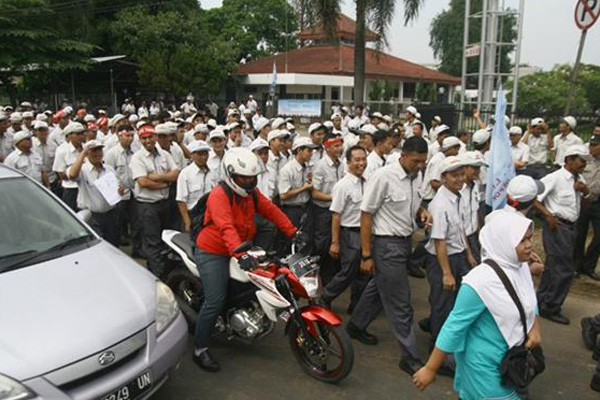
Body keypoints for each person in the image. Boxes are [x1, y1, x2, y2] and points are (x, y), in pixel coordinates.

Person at [413, 212, 541, 400]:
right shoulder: (479, 281)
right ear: (503, 242)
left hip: (512, 362)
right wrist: (431, 368)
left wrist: (535, 327)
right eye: (522, 240)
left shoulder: (520, 268)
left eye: (529, 238)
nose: (529, 245)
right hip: (485, 368)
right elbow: (454, 326)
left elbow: (529, 297)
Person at [192, 147, 299, 372]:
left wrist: (293, 231)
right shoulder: (219, 195)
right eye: (244, 178)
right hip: (214, 250)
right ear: (231, 175)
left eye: (253, 178)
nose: (250, 182)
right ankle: (200, 349)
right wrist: (241, 254)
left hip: (241, 246)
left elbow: (271, 210)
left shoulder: (251, 193)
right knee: (215, 300)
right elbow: (225, 227)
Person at [347, 136, 432, 376]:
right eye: (415, 161)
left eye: (423, 162)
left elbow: (414, 207)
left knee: (379, 287)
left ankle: (355, 325)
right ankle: (410, 356)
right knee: (401, 304)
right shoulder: (384, 177)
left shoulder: (417, 177)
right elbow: (366, 214)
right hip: (386, 245)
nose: (419, 166)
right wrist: (366, 254)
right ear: (403, 155)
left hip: (404, 242)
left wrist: (422, 213)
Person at [423, 156, 477, 375]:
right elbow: (439, 241)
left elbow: (462, 228)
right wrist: (446, 273)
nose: (460, 179)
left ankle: (447, 342)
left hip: (458, 256)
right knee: (442, 303)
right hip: (441, 260)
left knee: (455, 303)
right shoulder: (440, 203)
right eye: (454, 175)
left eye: (462, 174)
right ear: (443, 178)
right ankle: (439, 352)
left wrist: (469, 253)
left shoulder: (458, 196)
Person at [535, 144, 591, 325]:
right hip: (557, 227)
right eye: (581, 161)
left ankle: (542, 301)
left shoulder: (579, 178)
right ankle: (551, 306)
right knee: (564, 269)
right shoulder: (555, 178)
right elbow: (534, 199)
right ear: (569, 160)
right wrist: (547, 215)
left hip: (570, 227)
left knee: (554, 266)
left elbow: (586, 201)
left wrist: (585, 192)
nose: (584, 164)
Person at [323, 145, 370, 314]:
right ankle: (325, 297)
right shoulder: (343, 185)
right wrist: (335, 243)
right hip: (349, 233)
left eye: (364, 159)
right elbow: (336, 215)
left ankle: (355, 306)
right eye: (357, 160)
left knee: (364, 273)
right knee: (348, 271)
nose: (361, 163)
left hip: (365, 233)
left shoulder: (368, 182)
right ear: (348, 162)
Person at [129, 124, 179, 278]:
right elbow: (143, 183)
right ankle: (157, 276)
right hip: (147, 206)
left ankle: (166, 271)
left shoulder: (164, 154)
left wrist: (156, 177)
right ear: (140, 140)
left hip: (165, 203)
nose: (148, 141)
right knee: (152, 242)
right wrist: (166, 183)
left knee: (167, 239)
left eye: (150, 137)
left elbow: (175, 174)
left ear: (156, 137)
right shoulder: (137, 158)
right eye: (144, 138)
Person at [67, 140, 121, 246]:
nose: (98, 154)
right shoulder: (82, 170)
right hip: (92, 217)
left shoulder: (109, 169)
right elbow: (72, 175)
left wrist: (120, 191)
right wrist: (83, 153)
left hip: (110, 214)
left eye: (99, 150)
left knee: (113, 244)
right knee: (97, 245)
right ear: (87, 154)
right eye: (94, 151)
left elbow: (117, 189)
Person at [311, 132, 345, 285]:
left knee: (336, 243)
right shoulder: (320, 166)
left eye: (340, 145)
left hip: (338, 211)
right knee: (323, 247)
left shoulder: (342, 164)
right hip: (323, 212)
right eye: (336, 146)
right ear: (327, 148)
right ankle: (322, 280)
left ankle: (332, 278)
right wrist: (336, 197)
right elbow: (315, 193)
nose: (340, 148)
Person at [104, 124, 141, 253]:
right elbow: (107, 173)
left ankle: (137, 248)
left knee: (136, 222)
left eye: (132, 136)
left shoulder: (136, 152)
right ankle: (116, 248)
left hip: (134, 192)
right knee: (117, 222)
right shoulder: (112, 153)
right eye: (127, 136)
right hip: (119, 193)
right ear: (119, 136)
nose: (130, 139)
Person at [278, 136, 318, 232]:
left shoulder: (308, 167)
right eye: (308, 151)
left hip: (306, 207)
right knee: (294, 239)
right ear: (299, 150)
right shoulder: (287, 170)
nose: (311, 154)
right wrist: (303, 188)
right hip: (292, 210)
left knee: (307, 238)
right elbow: (283, 195)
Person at [574, 135, 600, 280]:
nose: (591, 148)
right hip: (583, 201)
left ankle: (589, 265)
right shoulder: (585, 161)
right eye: (590, 145)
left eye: (595, 145)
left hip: (598, 202)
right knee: (580, 234)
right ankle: (576, 266)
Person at [176, 140, 216, 233]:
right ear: (192, 155)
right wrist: (187, 221)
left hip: (209, 215)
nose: (204, 157)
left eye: (205, 154)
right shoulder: (185, 174)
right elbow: (181, 200)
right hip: (193, 215)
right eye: (200, 154)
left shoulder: (212, 172)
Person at [53, 122, 85, 211]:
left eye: (82, 133)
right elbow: (61, 174)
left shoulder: (86, 148)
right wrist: (74, 173)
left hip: (86, 188)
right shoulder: (62, 150)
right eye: (78, 134)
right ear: (70, 135)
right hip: (71, 189)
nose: (81, 136)